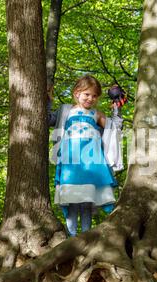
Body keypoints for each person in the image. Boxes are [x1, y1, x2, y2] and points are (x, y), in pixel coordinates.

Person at [47, 75, 125, 237]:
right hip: (71, 163)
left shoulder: (96, 114)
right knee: (72, 199)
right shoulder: (65, 110)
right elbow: (47, 119)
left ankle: (86, 237)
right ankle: (72, 236)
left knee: (87, 201)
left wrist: (117, 107)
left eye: (95, 96)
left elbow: (115, 127)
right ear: (76, 93)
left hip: (91, 162)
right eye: (87, 94)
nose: (90, 98)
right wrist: (47, 100)